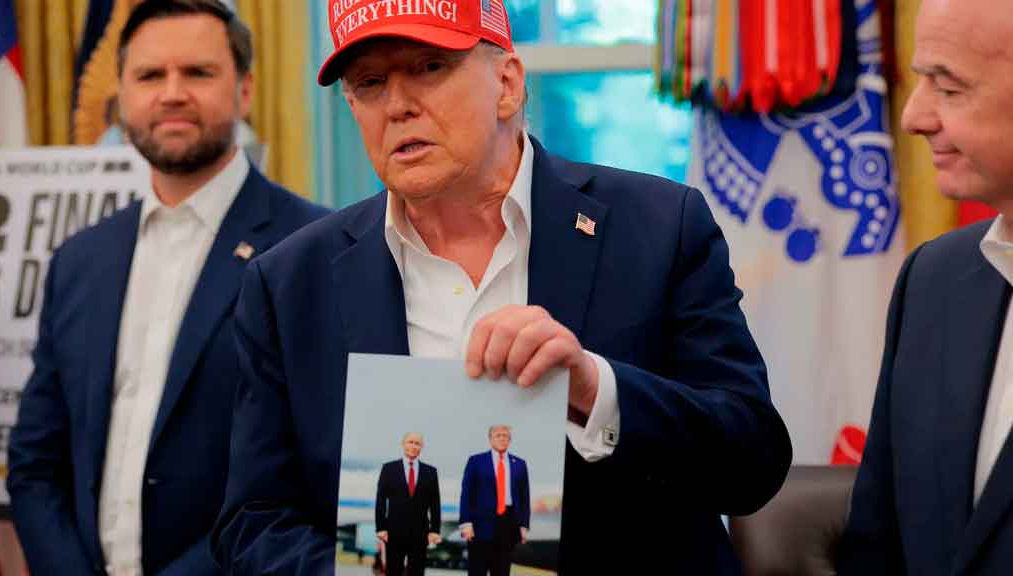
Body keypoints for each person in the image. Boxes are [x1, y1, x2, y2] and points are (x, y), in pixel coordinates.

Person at [212, 1, 792, 573]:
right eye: (369, 83)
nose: (397, 105)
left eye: (429, 68)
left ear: (508, 84)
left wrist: (594, 390)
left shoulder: (659, 227)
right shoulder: (289, 282)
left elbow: (752, 461)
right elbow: (253, 522)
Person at [5, 1, 329, 575]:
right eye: (150, 75)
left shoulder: (314, 252)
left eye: (198, 73)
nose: (172, 94)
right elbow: (35, 462)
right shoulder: (78, 260)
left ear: (245, 90)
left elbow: (313, 472)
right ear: (122, 96)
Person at [839, 1, 1013, 574]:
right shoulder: (934, 281)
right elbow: (877, 545)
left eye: (949, 87)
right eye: (920, 80)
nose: (913, 117)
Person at [459, 426, 530, 576]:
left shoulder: (520, 464)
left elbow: (524, 497)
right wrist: (466, 523)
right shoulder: (476, 461)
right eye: (498, 435)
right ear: (490, 439)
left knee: (502, 570)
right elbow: (466, 494)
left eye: (505, 436)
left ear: (509, 440)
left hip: (508, 524)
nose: (502, 438)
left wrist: (524, 525)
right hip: (480, 525)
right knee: (477, 570)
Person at [375, 432, 442, 576]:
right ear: (403, 444)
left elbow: (435, 503)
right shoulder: (389, 469)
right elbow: (381, 500)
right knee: (393, 571)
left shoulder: (430, 472)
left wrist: (435, 530)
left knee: (417, 572)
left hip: (420, 534)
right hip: (394, 532)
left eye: (417, 443)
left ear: (422, 447)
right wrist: (381, 528)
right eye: (410, 442)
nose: (414, 446)